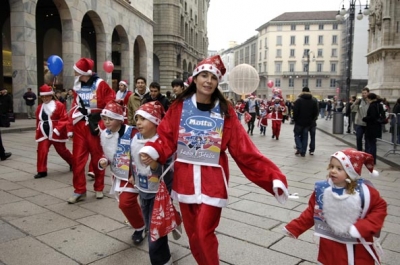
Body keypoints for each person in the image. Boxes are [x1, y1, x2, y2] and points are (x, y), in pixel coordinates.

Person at [138, 55, 289, 265]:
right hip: (185, 182)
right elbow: (166, 138)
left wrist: (272, 176)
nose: (208, 81)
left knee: (203, 233)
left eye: (214, 77)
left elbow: (244, 150)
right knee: (193, 236)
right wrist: (153, 150)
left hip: (213, 183)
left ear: (218, 83)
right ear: (195, 78)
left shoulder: (225, 110)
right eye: (204, 76)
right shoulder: (179, 107)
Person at [284, 148, 387, 265]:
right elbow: (313, 211)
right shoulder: (323, 189)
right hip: (330, 243)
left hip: (357, 246)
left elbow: (380, 208)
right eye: (331, 167)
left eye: (339, 168)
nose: (333, 171)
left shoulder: (365, 192)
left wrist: (363, 227)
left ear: (350, 172)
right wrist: (295, 227)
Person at [66, 57, 116, 204]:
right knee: (77, 159)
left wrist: (103, 124)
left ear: (83, 72)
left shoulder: (101, 85)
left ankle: (99, 187)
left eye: (76, 71)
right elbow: (74, 108)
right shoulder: (77, 86)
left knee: (97, 158)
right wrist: (70, 128)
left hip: (95, 125)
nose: (74, 74)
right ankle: (79, 190)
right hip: (80, 125)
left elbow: (110, 103)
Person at [132, 101, 176, 265]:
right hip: (143, 190)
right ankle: (164, 254)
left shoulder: (163, 144)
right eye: (137, 118)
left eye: (143, 119)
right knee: (152, 226)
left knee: (155, 230)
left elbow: (165, 171)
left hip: (160, 193)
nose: (138, 122)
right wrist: (132, 175)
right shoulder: (136, 139)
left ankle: (160, 260)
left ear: (156, 121)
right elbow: (132, 159)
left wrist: (153, 163)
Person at [98, 101, 146, 245]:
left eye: (110, 119)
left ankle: (141, 226)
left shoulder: (132, 132)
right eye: (104, 119)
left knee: (126, 203)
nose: (106, 122)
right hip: (119, 175)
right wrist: (103, 161)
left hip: (135, 175)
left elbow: (142, 154)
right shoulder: (105, 134)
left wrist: (136, 174)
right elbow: (105, 153)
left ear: (119, 119)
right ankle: (141, 225)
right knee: (127, 203)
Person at [34, 84, 73, 179]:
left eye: (46, 96)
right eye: (43, 97)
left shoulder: (59, 105)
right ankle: (41, 170)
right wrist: (37, 131)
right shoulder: (40, 107)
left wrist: (58, 129)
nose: (45, 98)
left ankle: (73, 162)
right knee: (42, 150)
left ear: (51, 96)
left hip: (56, 132)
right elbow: (38, 120)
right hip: (43, 132)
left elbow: (64, 118)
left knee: (62, 150)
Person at [292, 87, 319, 157]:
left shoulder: (298, 101)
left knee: (297, 135)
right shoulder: (313, 101)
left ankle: (300, 148)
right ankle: (303, 152)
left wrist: (295, 119)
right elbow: (315, 112)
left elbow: (295, 112)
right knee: (305, 137)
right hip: (308, 123)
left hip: (299, 122)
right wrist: (311, 119)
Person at [362, 93, 384, 164]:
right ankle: (372, 159)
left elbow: (372, 117)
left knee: (370, 143)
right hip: (377, 126)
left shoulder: (372, 105)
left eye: (368, 98)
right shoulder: (379, 105)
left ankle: (370, 159)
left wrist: (365, 118)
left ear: (370, 98)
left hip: (371, 127)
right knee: (373, 143)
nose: (367, 100)